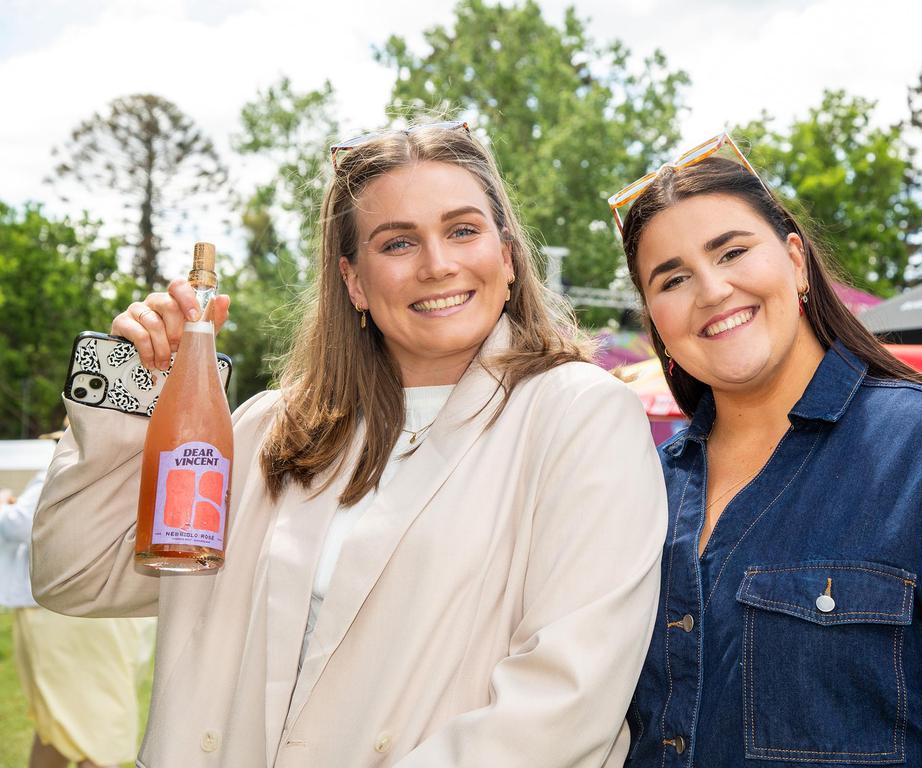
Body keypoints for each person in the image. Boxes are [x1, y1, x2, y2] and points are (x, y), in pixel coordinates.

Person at [31, 121, 667, 767]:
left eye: (463, 230)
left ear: (506, 257)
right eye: (397, 243)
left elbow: (563, 701)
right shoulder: (269, 429)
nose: (437, 263)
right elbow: (75, 575)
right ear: (354, 281)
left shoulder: (579, 414)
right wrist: (139, 385)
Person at [612, 135, 922, 767]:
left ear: (797, 262)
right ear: (656, 323)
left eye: (733, 251)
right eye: (672, 279)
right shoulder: (642, 492)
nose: (713, 290)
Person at [1, 433, 154, 768]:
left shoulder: (68, 464)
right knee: (63, 723)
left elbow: (23, 524)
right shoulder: (143, 465)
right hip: (114, 606)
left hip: (66, 614)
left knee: (86, 727)